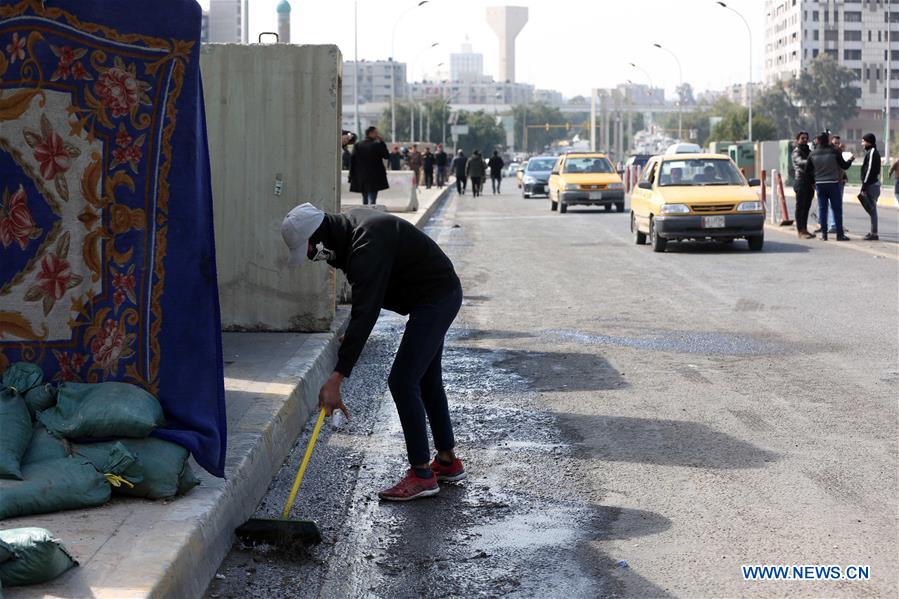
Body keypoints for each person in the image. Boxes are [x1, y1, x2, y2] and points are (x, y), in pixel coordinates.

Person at [280, 203, 466, 501]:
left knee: (403, 382)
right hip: (431, 296)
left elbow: (366, 310)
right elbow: (365, 304)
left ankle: (422, 475)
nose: (314, 257)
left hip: (436, 299)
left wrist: (337, 377)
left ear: (319, 237)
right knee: (426, 381)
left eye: (311, 250)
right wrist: (353, 336)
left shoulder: (365, 244)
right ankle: (447, 461)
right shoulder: (349, 232)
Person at [807, 132, 853, 241]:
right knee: (837, 209)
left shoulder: (812, 154)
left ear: (818, 141)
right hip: (833, 184)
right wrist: (850, 160)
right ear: (827, 140)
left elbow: (807, 171)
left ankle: (824, 235)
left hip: (820, 185)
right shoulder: (834, 151)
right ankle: (840, 235)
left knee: (823, 210)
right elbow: (844, 166)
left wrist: (813, 182)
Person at [349, 126, 389, 206]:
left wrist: (351, 175)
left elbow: (352, 161)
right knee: (373, 200)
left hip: (361, 176)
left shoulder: (358, 145)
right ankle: (371, 212)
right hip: (374, 176)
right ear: (371, 133)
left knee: (365, 198)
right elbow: (386, 156)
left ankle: (365, 212)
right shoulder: (376, 145)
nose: (377, 135)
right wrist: (382, 142)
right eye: (376, 133)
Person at [791, 131, 816, 239]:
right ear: (798, 140)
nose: (805, 140)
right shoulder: (796, 151)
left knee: (806, 207)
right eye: (802, 138)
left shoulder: (809, 151)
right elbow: (800, 162)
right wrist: (812, 161)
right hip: (800, 181)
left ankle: (805, 229)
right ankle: (800, 230)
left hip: (809, 182)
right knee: (800, 207)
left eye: (806, 138)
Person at [858, 133, 881, 241]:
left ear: (869, 142)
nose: (862, 143)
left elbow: (870, 169)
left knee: (872, 210)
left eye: (863, 141)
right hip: (871, 184)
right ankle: (873, 232)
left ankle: (874, 233)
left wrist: (864, 185)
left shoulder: (872, 153)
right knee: (872, 210)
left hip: (871, 185)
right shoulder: (871, 152)